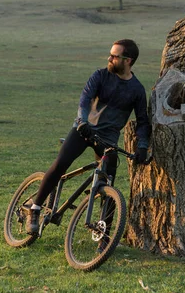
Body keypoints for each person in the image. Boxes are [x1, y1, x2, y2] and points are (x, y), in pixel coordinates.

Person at [24, 39, 150, 235]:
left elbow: (143, 121)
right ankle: (35, 209)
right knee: (60, 166)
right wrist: (82, 122)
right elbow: (85, 100)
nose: (109, 58)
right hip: (84, 130)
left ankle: (104, 237)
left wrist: (142, 146)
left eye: (114, 56)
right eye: (110, 54)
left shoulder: (137, 89)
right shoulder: (100, 76)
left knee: (108, 186)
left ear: (128, 60)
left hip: (107, 139)